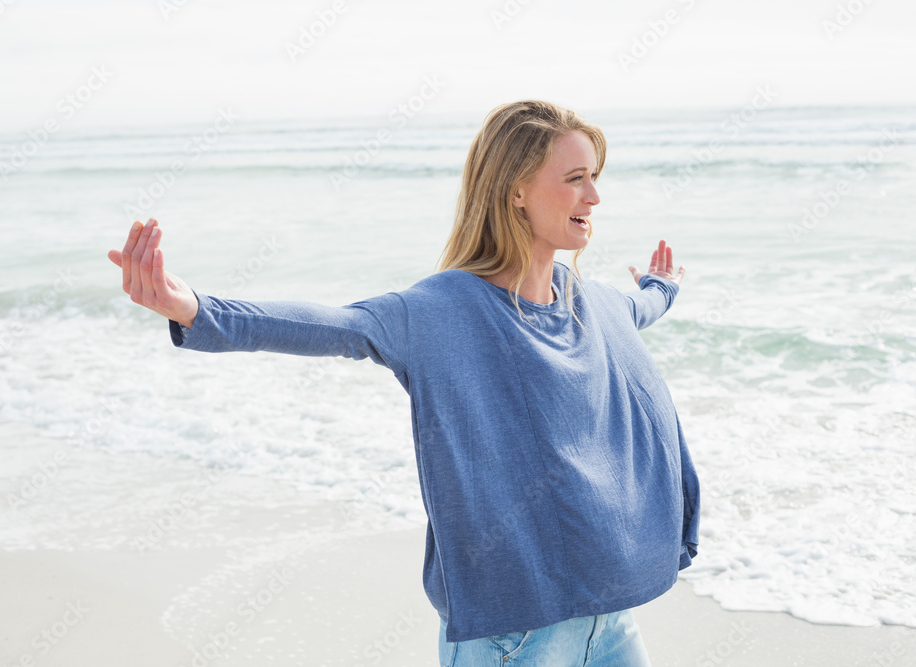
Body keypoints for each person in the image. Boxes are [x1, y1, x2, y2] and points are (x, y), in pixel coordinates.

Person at [108, 100, 700, 666]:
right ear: (515, 189)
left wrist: (662, 286)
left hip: (609, 620)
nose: (594, 196)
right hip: (512, 639)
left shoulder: (591, 304)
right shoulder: (444, 310)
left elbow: (638, 307)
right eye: (575, 178)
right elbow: (338, 326)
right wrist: (193, 308)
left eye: (593, 177)